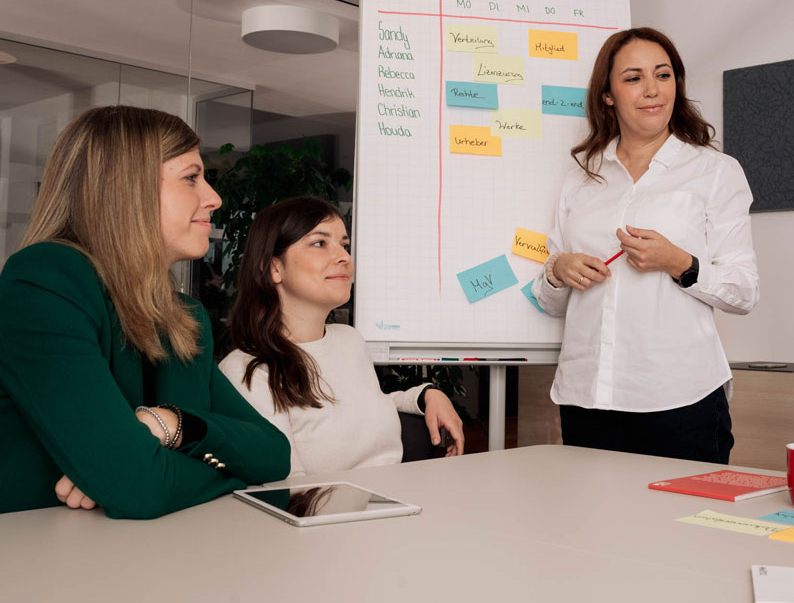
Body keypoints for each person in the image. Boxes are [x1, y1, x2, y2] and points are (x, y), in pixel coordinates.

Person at [0, 105, 290, 518]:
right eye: (191, 178)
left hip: (143, 559)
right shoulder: (44, 281)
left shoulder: (181, 316)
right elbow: (139, 486)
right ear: (125, 188)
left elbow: (274, 453)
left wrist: (170, 425)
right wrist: (235, 478)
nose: (214, 197)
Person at [532, 27, 759, 462]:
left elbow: (744, 290)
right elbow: (551, 303)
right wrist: (558, 270)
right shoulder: (581, 178)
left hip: (680, 399)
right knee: (591, 530)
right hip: (587, 396)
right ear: (608, 95)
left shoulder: (716, 172)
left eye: (664, 75)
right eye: (633, 78)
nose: (652, 90)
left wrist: (679, 262)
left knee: (681, 530)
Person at [219, 197, 465, 476]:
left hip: (399, 502)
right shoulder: (248, 373)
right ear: (274, 268)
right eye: (319, 243)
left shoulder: (349, 340)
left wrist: (425, 396)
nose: (344, 257)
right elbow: (287, 492)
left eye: (344, 245)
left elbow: (359, 407)